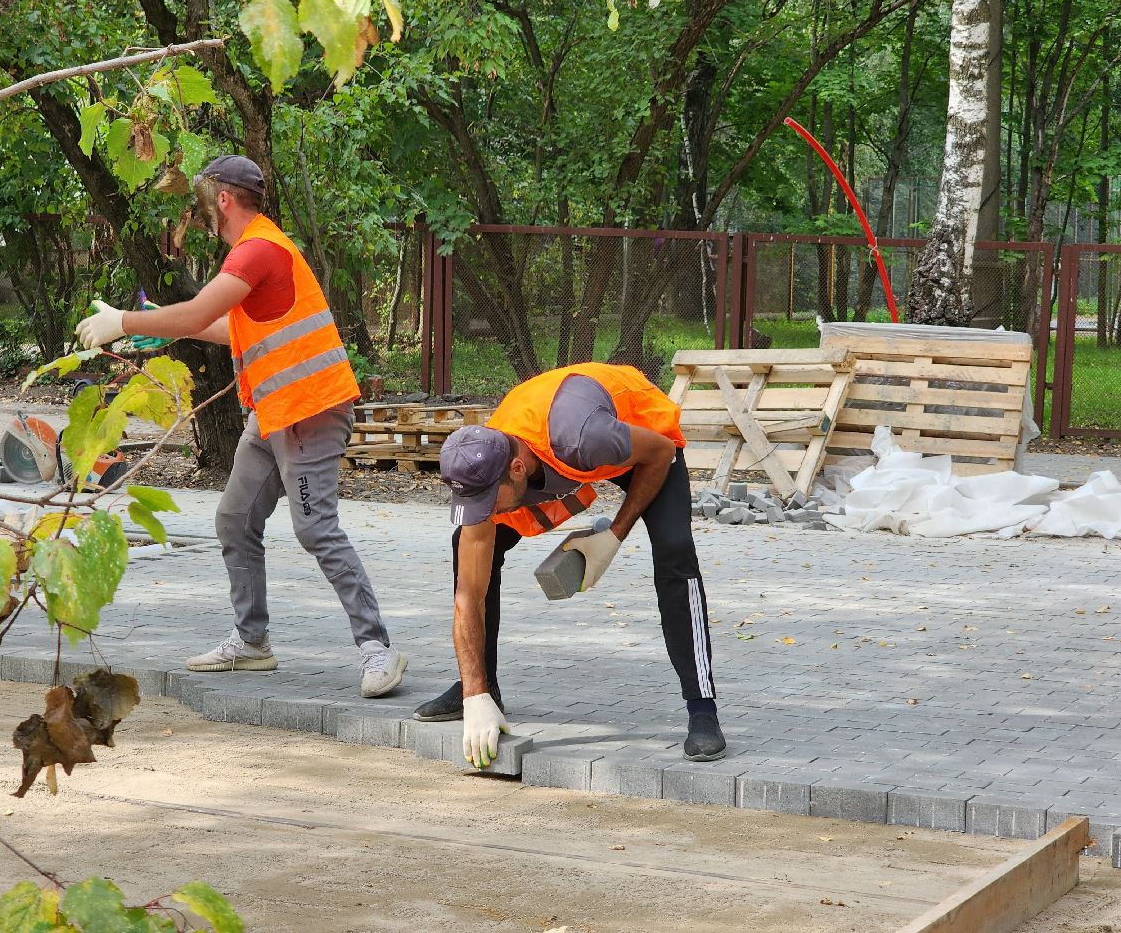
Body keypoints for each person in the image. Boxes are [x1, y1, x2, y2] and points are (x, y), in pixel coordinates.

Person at [75, 154, 407, 698]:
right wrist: (163, 328)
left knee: (315, 528)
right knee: (233, 518)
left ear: (222, 199)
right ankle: (252, 644)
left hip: (309, 410)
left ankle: (378, 650)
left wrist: (126, 321)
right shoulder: (259, 249)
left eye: (206, 199)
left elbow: (195, 314)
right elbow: (235, 331)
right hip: (277, 412)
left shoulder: (257, 250)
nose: (203, 211)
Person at [417, 362, 725, 767]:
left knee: (674, 550)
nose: (482, 512)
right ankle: (481, 689)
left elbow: (660, 454)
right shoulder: (488, 462)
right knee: (470, 549)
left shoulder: (586, 440)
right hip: (559, 449)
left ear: (516, 469)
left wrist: (613, 536)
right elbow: (467, 596)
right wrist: (475, 694)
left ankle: (702, 708)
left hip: (642, 441)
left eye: (488, 501)